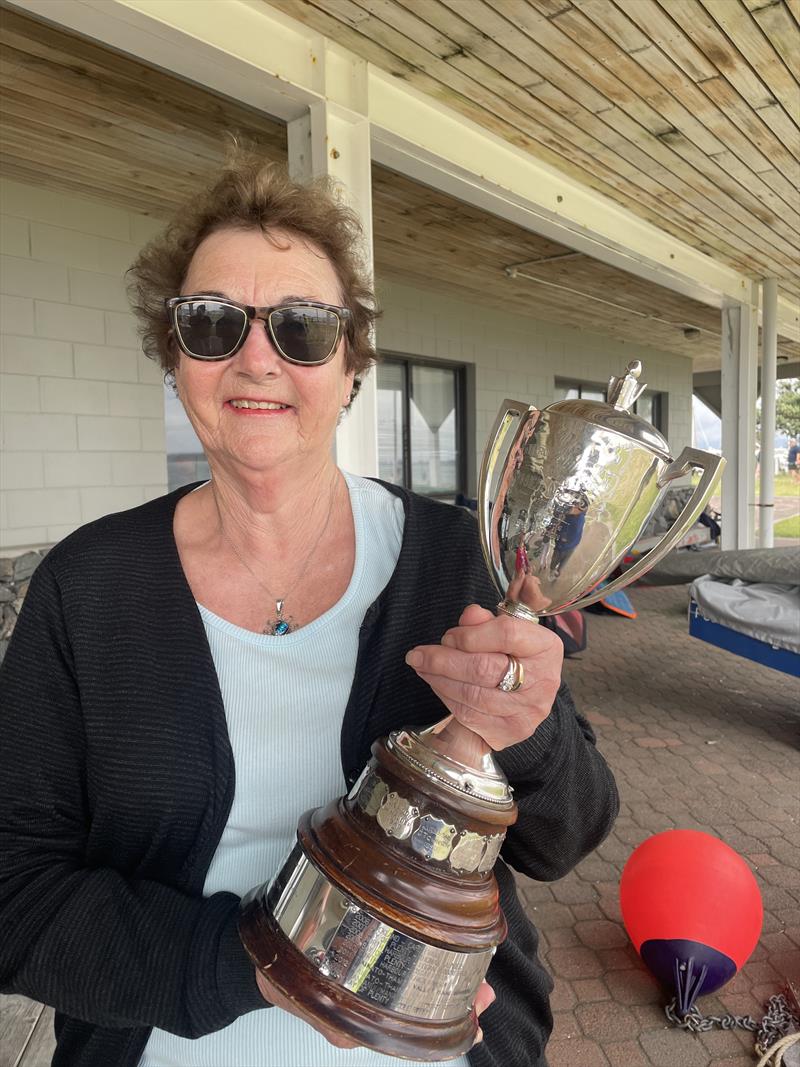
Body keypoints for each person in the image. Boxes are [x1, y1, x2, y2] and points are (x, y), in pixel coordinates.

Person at [0, 156, 619, 1067]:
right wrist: (271, 963)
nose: (257, 355)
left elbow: (567, 835)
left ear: (350, 365)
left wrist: (530, 733)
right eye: (211, 323)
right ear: (176, 359)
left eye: (302, 326)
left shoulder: (454, 557)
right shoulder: (86, 588)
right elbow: (16, 891)